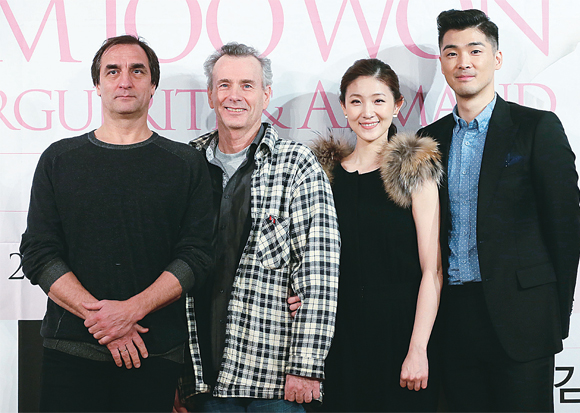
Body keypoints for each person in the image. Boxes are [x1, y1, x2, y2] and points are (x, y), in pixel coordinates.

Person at [19, 35, 214, 413]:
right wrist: (105, 320)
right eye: (113, 71)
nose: (125, 80)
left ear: (153, 85)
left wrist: (131, 311)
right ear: (97, 84)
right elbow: (39, 252)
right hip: (71, 352)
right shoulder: (59, 159)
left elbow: (197, 255)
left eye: (137, 71)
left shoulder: (185, 164)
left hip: (154, 353)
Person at [417, 9, 580, 412]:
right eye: (452, 53)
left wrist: (554, 314)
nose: (464, 62)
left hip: (523, 318)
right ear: (442, 62)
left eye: (475, 50)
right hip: (454, 320)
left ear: (497, 58)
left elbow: (565, 228)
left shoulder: (536, 128)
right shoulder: (427, 140)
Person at [177, 42, 340, 412]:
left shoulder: (296, 164)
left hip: (274, 382)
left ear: (266, 95)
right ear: (210, 94)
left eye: (247, 85)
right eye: (224, 85)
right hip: (202, 381)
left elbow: (319, 272)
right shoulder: (186, 164)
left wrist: (306, 367)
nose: (234, 95)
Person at [302, 58, 443, 412]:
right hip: (338, 340)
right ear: (343, 107)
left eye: (379, 100)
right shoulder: (323, 176)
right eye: (356, 101)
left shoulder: (415, 170)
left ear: (397, 105)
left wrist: (418, 349)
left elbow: (432, 271)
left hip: (399, 335)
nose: (367, 112)